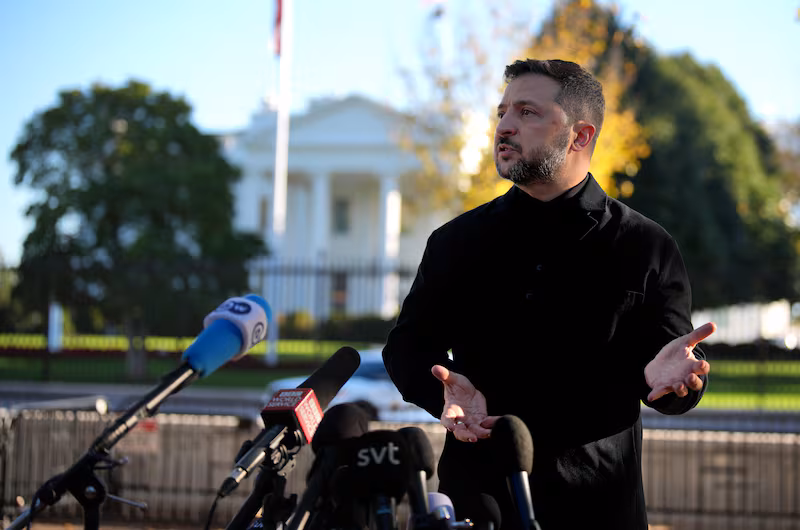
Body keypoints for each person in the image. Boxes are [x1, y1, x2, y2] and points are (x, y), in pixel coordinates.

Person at [382, 58, 714, 530]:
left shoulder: (646, 246)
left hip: (597, 507)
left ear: (581, 135)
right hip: (478, 501)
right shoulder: (454, 242)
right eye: (502, 113)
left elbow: (670, 378)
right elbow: (407, 347)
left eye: (527, 112)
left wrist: (679, 385)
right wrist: (443, 393)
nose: (505, 127)